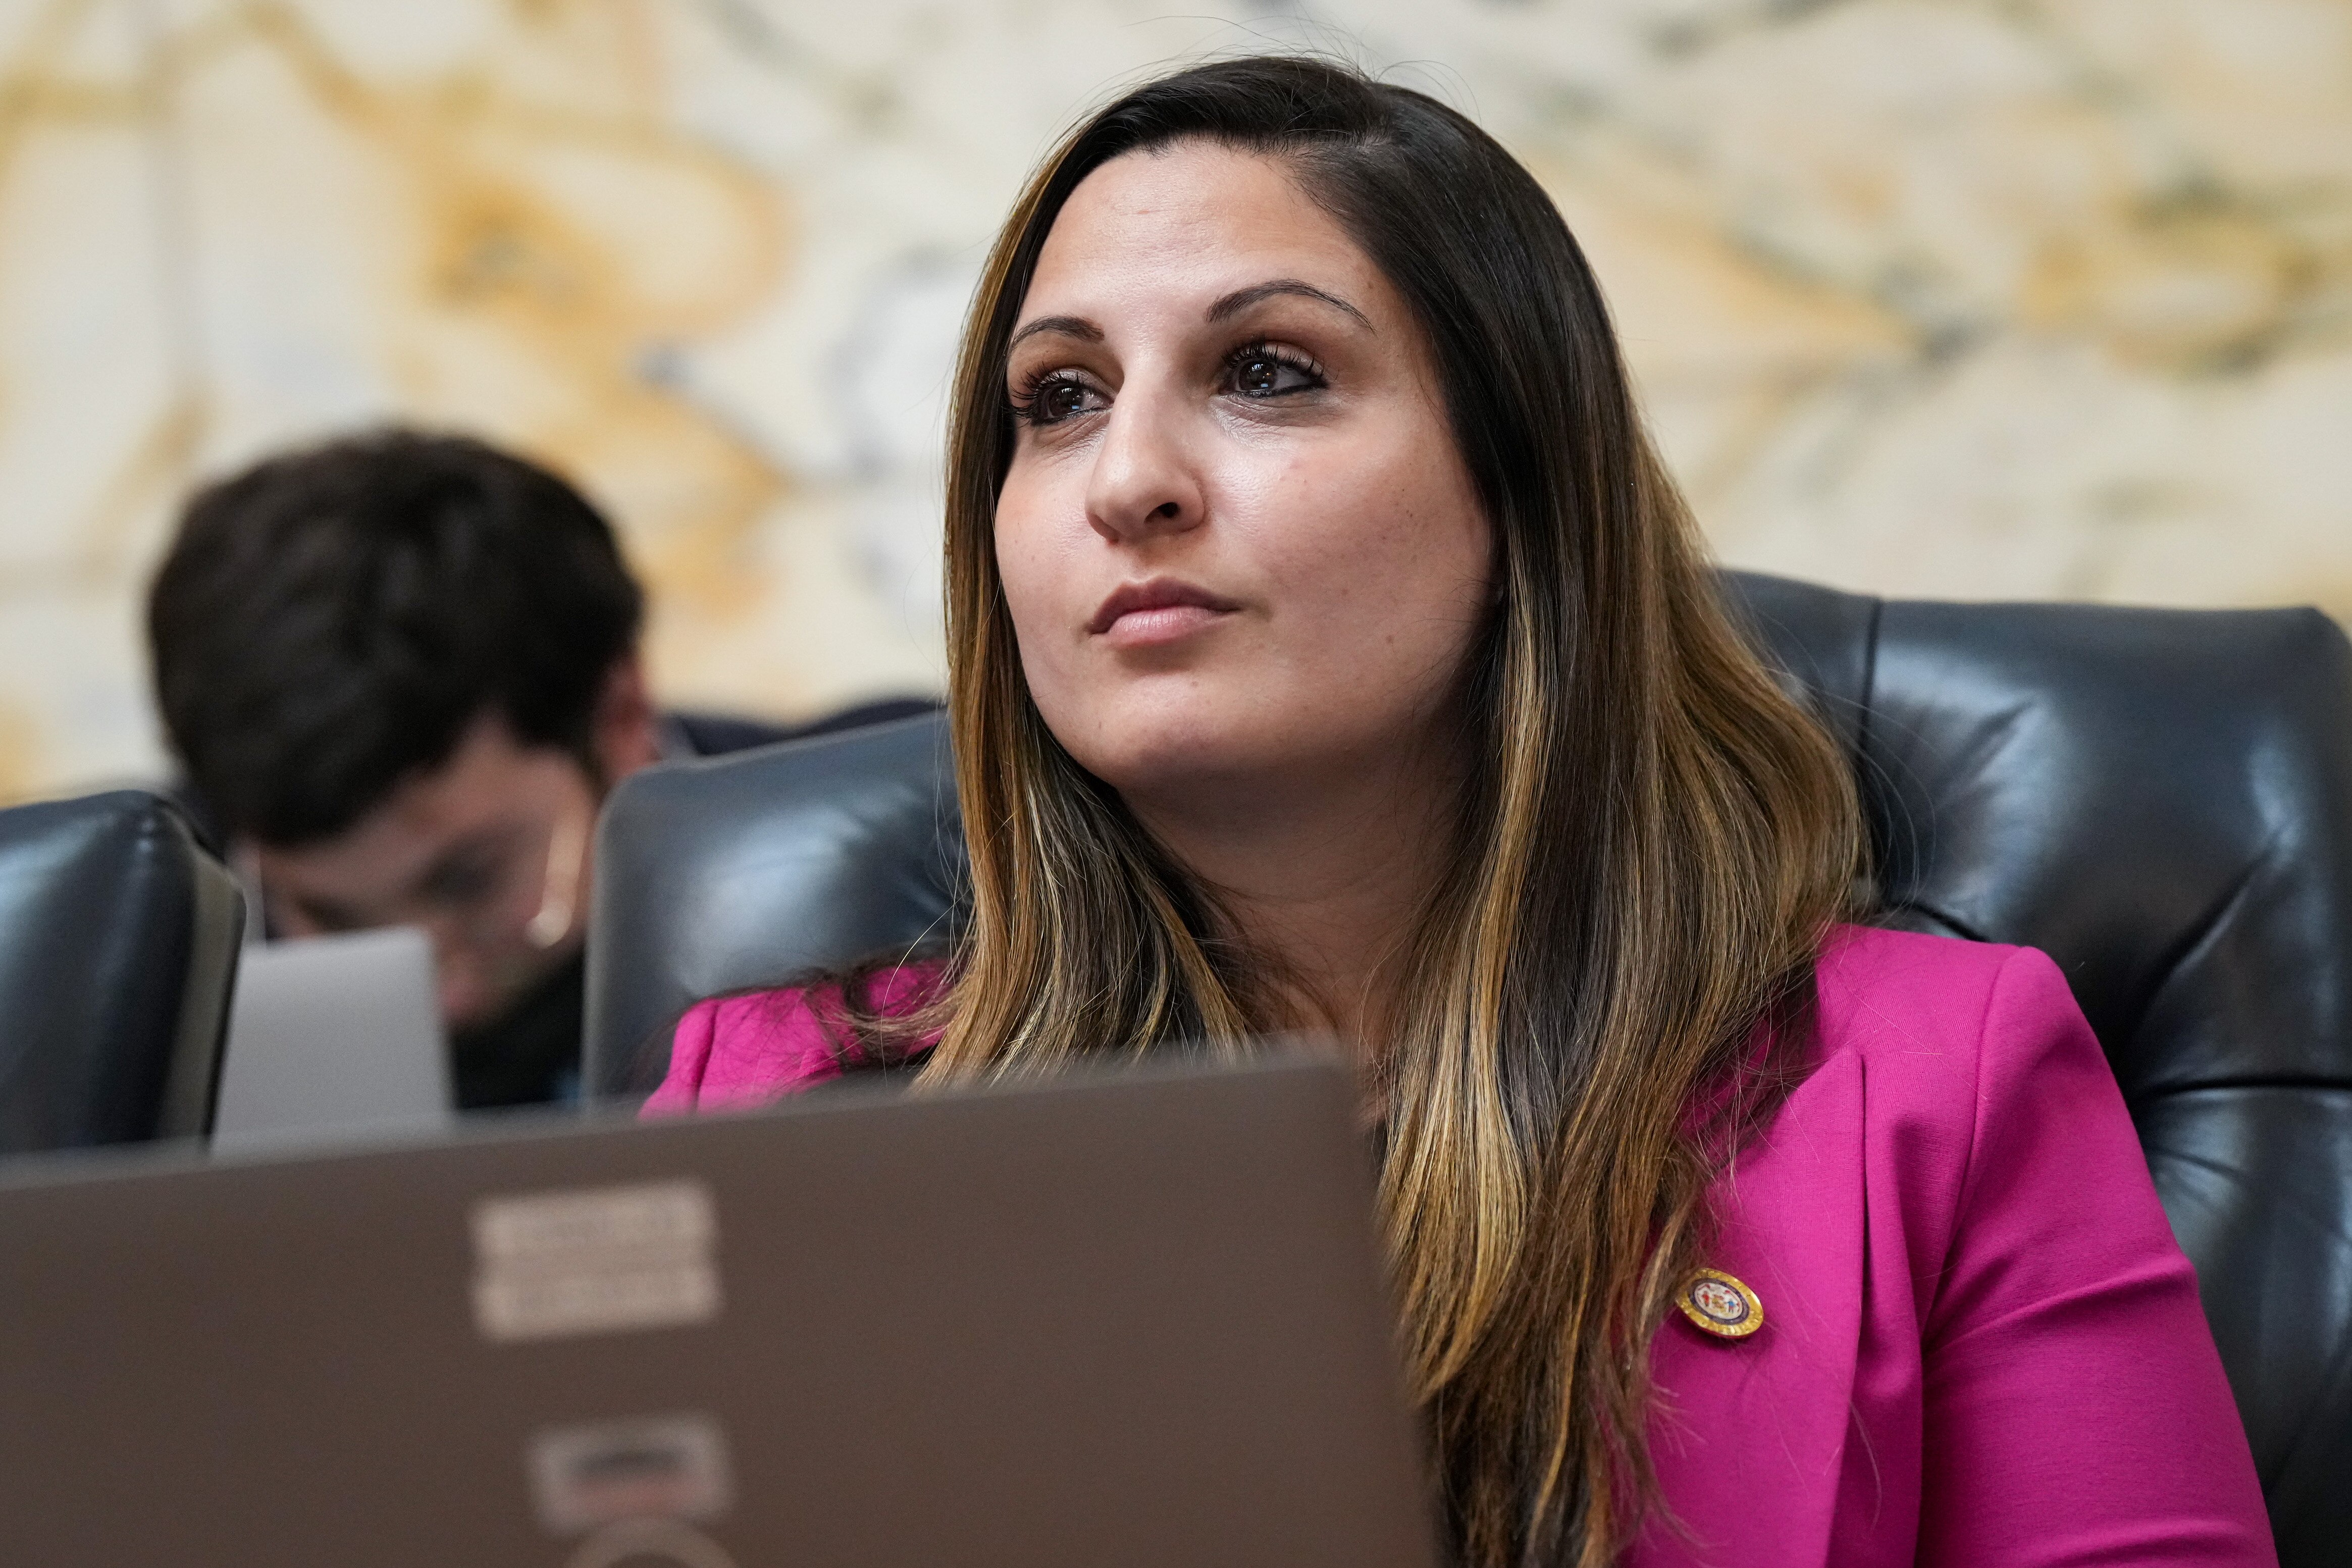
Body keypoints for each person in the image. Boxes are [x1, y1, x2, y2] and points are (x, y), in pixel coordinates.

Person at [643, 58, 2274, 1567]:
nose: (1124, 476)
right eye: (1056, 397)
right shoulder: (768, 1106)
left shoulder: (1941, 1078)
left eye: (1266, 372)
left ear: (1525, 489)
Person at [148, 429, 932, 1109]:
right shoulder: (138, 950)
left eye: (470, 880)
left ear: (619, 717)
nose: (442, 1000)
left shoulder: (910, 844)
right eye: (333, 920)